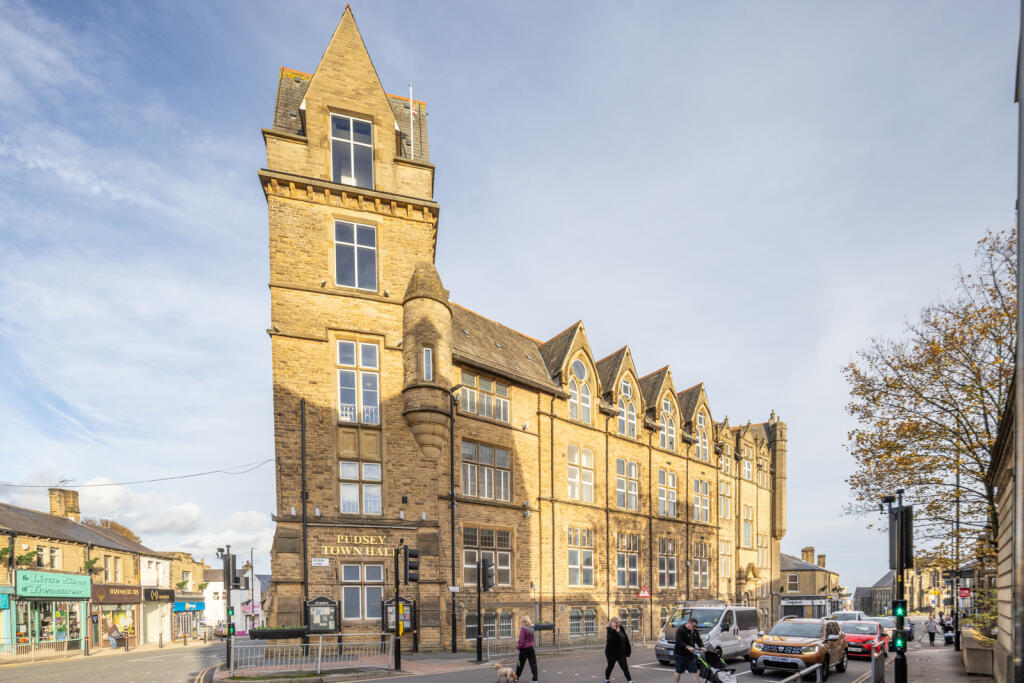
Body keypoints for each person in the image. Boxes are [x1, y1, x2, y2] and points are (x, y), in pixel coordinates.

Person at [673, 617, 704, 683]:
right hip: (680, 655)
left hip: (690, 655)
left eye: (696, 626)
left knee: (694, 671)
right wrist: (688, 647)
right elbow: (679, 642)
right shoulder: (680, 630)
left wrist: (702, 646)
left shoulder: (694, 631)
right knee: (678, 671)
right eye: (694, 626)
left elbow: (698, 640)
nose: (695, 628)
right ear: (689, 624)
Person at [603, 617, 633, 683]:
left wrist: (627, 649)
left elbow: (625, 639)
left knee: (625, 668)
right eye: (616, 622)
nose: (617, 623)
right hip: (611, 653)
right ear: (612, 623)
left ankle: (630, 681)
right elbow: (613, 639)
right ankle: (607, 680)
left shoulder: (621, 628)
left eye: (618, 622)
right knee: (610, 666)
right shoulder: (610, 631)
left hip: (621, 653)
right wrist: (613, 629)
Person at [515, 616, 539, 682]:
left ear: (525, 622)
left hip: (524, 649)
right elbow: (532, 639)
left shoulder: (523, 629)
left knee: (520, 664)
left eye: (522, 622)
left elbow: (521, 641)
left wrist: (517, 649)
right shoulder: (531, 628)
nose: (521, 623)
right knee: (533, 664)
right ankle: (535, 679)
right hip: (531, 648)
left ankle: (516, 677)